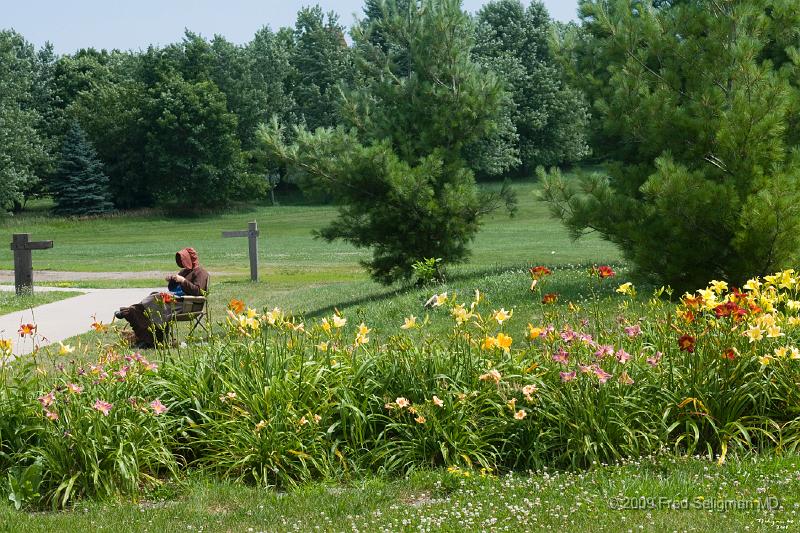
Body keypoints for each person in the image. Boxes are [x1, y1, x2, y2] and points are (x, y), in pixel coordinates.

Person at [115, 247, 209, 348]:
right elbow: (172, 288)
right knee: (154, 295)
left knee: (157, 298)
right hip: (175, 301)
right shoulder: (184, 272)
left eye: (184, 261)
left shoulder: (201, 273)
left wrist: (183, 281)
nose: (182, 264)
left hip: (187, 305)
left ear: (191, 259)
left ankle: (131, 311)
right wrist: (172, 280)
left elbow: (198, 292)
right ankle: (148, 338)